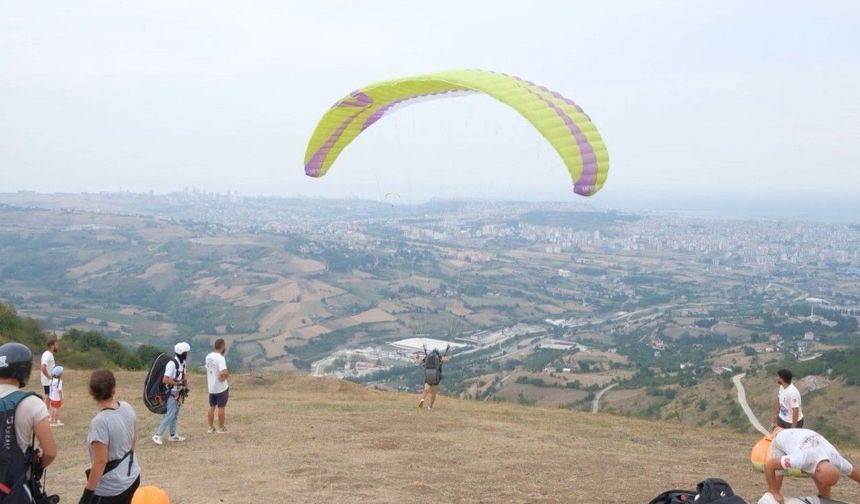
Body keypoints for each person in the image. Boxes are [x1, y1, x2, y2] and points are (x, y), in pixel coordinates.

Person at [0, 342, 58, 502]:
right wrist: (37, 468)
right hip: (13, 488)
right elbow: (50, 452)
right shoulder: (32, 403)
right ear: (24, 370)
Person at [80, 369, 141, 504]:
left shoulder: (99, 422)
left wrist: (87, 494)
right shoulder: (127, 407)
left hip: (112, 489)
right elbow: (133, 439)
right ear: (114, 388)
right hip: (133, 475)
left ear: (92, 392)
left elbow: (100, 461)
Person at [764, 427, 860, 503]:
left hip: (807, 437)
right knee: (776, 483)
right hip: (783, 439)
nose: (822, 484)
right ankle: (770, 497)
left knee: (825, 492)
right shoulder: (800, 459)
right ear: (817, 471)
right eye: (822, 481)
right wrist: (775, 491)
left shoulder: (836, 459)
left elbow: (854, 473)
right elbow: (769, 465)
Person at [152, 342, 190, 445]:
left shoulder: (183, 364)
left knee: (175, 414)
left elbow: (184, 377)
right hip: (170, 393)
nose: (188, 354)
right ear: (182, 353)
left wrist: (185, 387)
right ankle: (157, 435)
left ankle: (173, 435)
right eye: (186, 353)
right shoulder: (172, 364)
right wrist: (177, 383)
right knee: (170, 415)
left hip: (178, 393)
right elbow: (165, 379)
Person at [205, 338, 230, 434]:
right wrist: (226, 375)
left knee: (211, 406)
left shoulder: (208, 356)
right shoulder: (220, 358)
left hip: (211, 386)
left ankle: (211, 427)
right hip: (220, 387)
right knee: (221, 407)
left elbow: (209, 369)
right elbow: (224, 371)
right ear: (222, 346)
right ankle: (221, 427)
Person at [40, 337, 57, 408]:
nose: (57, 346)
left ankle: (46, 415)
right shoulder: (47, 354)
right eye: (56, 344)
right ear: (52, 345)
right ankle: (45, 415)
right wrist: (49, 377)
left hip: (49, 380)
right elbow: (43, 367)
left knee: (49, 396)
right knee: (48, 396)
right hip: (47, 380)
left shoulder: (50, 354)